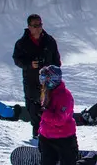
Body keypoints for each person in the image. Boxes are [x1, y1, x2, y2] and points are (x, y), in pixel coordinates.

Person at [36, 65, 97, 165]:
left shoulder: (65, 96)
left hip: (64, 138)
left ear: (53, 79)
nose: (43, 81)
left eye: (45, 78)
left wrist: (43, 113)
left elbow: (60, 120)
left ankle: (93, 159)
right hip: (47, 138)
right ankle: (55, 160)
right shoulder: (46, 92)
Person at [12, 13, 62, 141]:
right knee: (34, 108)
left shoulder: (49, 41)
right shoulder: (22, 43)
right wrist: (30, 64)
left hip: (49, 82)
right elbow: (17, 60)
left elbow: (57, 60)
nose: (38, 28)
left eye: (40, 24)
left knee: (50, 107)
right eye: (35, 25)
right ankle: (37, 135)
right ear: (29, 27)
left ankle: (51, 135)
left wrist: (52, 69)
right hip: (31, 81)